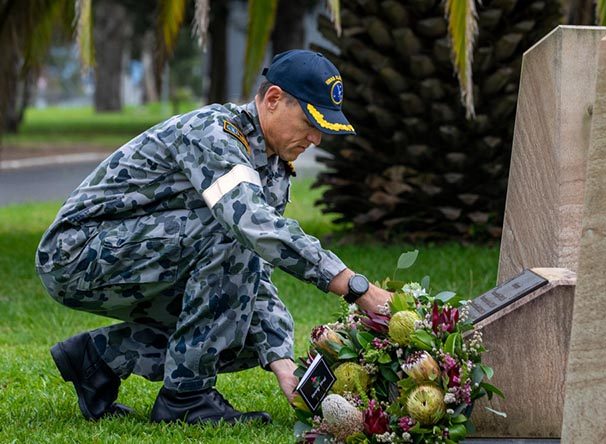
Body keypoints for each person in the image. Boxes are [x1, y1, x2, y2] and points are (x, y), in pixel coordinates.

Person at [34, 50, 391, 425]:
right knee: (232, 230)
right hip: (75, 253)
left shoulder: (272, 167)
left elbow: (251, 273)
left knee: (245, 332)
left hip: (135, 255)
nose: (316, 139)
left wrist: (281, 359)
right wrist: (356, 288)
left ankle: (98, 359)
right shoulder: (215, 132)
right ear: (272, 100)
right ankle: (186, 399)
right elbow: (250, 227)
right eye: (310, 122)